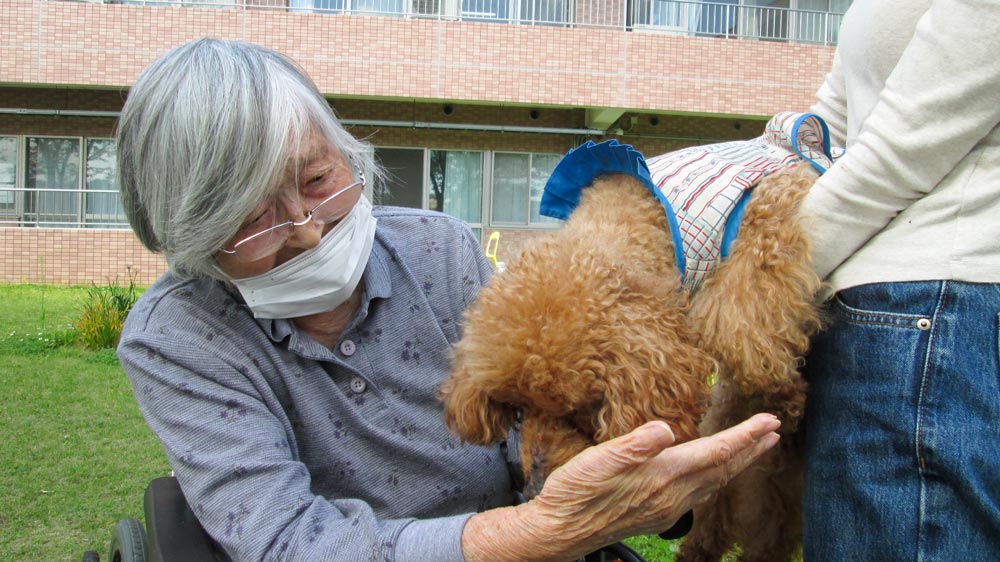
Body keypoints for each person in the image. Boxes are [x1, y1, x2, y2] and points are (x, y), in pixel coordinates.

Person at [115, 38, 781, 562]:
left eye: (319, 179)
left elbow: (534, 443)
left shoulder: (438, 249)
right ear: (190, 237)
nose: (310, 226)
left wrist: (636, 487)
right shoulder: (176, 337)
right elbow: (286, 543)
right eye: (254, 218)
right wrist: (532, 536)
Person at [800, 1, 1000, 560]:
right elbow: (827, 129)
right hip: (899, 318)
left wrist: (748, 283)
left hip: (927, 317)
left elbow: (898, 154)